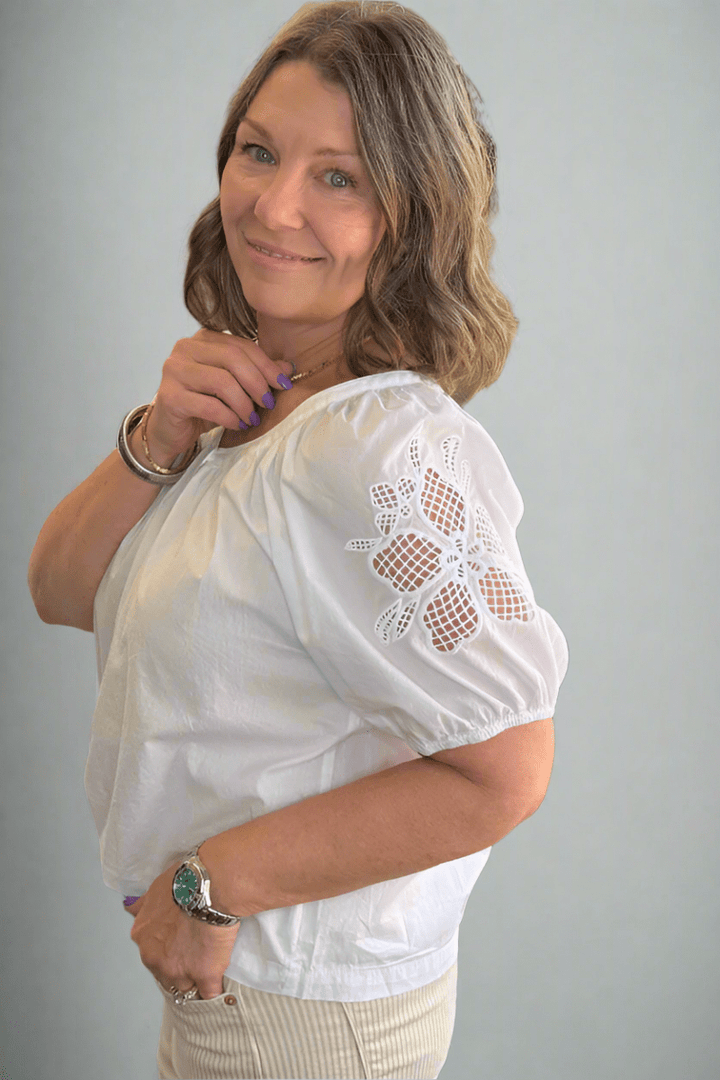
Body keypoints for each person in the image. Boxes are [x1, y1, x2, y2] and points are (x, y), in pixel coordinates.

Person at [28, 2, 569, 1077]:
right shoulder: (252, 411)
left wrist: (209, 887)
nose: (273, 206)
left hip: (305, 1023)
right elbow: (60, 590)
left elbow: (505, 770)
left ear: (412, 215)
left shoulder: (376, 449)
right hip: (247, 1004)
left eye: (339, 177)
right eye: (259, 151)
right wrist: (157, 437)